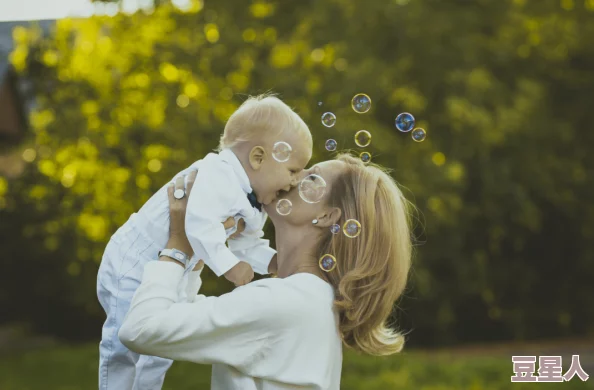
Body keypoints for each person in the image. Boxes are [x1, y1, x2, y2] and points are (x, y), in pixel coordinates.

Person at [118, 153, 415, 389]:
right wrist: (198, 244)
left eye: (311, 177)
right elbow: (176, 313)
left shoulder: (286, 302)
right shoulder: (308, 299)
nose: (293, 176)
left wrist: (178, 246)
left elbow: (141, 329)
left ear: (326, 216)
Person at [96, 94, 313, 390]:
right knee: (123, 342)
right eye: (292, 170)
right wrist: (229, 268)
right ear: (258, 157)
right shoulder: (217, 173)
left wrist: (275, 262)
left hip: (176, 270)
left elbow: (246, 244)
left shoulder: (254, 204)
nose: (296, 181)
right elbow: (197, 224)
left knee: (159, 346)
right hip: (134, 258)